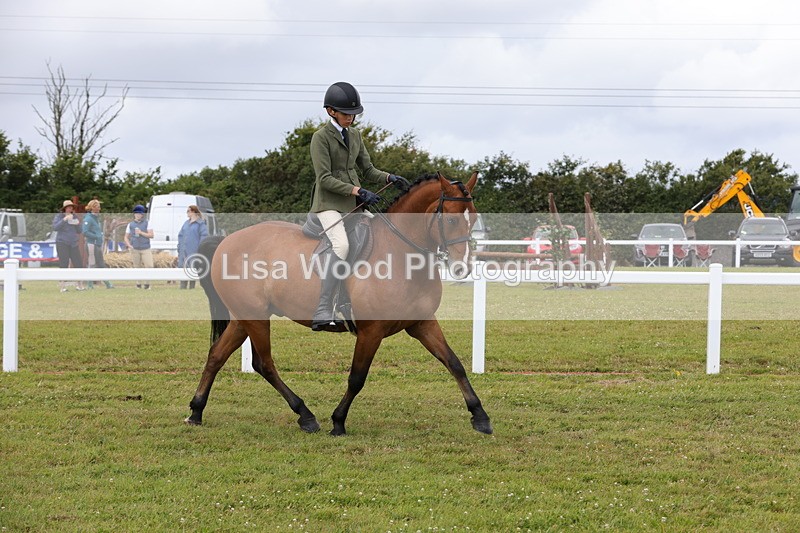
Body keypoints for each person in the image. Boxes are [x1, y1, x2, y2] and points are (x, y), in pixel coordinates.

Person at [308, 81, 410, 331]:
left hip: (353, 203)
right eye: (346, 114)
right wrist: (358, 190)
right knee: (341, 245)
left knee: (380, 233)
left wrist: (389, 177)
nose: (351, 119)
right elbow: (324, 179)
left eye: (354, 115)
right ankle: (323, 307)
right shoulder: (320, 138)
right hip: (329, 204)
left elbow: (368, 169)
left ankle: (351, 298)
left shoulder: (354, 135)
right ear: (331, 111)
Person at [52, 199, 85, 292]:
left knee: (78, 264)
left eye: (72, 207)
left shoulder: (75, 217)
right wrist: (64, 220)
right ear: (65, 209)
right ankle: (62, 286)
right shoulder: (59, 216)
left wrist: (78, 224)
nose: (71, 209)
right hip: (62, 243)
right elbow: (55, 227)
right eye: (69, 207)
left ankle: (80, 285)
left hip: (73, 243)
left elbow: (79, 230)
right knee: (64, 264)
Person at [82, 199, 114, 289]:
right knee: (92, 263)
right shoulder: (88, 218)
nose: (100, 209)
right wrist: (96, 236)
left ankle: (107, 283)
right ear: (93, 208)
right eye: (98, 207)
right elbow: (85, 231)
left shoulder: (96, 219)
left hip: (97, 244)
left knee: (100, 263)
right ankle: (90, 285)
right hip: (91, 244)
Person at [177, 204, 209, 289]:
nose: (187, 213)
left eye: (188, 211)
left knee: (192, 268)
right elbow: (180, 235)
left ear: (193, 212)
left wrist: (200, 249)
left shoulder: (201, 224)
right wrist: (179, 247)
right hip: (183, 251)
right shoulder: (186, 223)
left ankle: (192, 287)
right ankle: (182, 287)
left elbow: (204, 236)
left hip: (194, 251)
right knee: (183, 269)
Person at [124, 204, 154, 289]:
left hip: (145, 248)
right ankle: (138, 284)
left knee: (149, 266)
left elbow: (151, 235)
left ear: (142, 214)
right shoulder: (130, 224)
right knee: (136, 266)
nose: (138, 215)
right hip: (135, 248)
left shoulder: (147, 223)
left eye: (139, 213)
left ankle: (147, 283)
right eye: (136, 213)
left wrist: (141, 233)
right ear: (134, 214)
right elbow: (126, 237)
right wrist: (129, 245)